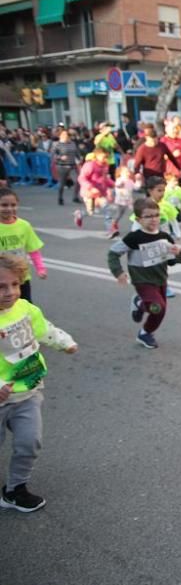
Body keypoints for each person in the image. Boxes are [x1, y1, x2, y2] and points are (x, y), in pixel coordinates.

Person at [0, 254, 77, 513]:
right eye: (1, 286)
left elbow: (44, 330)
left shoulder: (26, 308)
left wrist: (64, 342)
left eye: (14, 284)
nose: (9, 292)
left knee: (29, 443)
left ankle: (15, 490)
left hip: (28, 392)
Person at [108, 198, 181, 349]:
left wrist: (178, 253)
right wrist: (118, 272)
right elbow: (113, 253)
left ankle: (145, 332)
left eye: (156, 215)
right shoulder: (134, 237)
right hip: (142, 280)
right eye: (148, 216)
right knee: (158, 307)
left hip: (161, 279)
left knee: (160, 312)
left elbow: (173, 262)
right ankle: (140, 303)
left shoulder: (164, 237)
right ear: (138, 219)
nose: (153, 219)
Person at [0, 189, 46, 303]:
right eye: (4, 205)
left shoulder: (24, 226)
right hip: (2, 279)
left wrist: (40, 268)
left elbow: (33, 250)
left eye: (13, 205)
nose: (9, 209)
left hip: (21, 278)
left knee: (25, 305)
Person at [52, 129, 82, 206]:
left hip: (72, 165)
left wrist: (79, 158)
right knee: (62, 183)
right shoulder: (57, 145)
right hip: (62, 166)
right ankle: (60, 198)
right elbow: (53, 155)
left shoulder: (72, 144)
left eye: (67, 135)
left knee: (77, 181)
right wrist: (60, 157)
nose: (66, 136)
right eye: (64, 135)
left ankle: (75, 197)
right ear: (61, 136)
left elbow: (76, 152)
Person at [107, 165, 137, 239]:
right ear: (120, 173)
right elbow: (117, 185)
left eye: (128, 171)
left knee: (136, 213)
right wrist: (120, 184)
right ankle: (113, 226)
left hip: (129, 200)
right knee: (119, 214)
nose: (128, 173)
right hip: (120, 201)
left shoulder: (130, 181)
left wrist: (139, 181)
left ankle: (137, 228)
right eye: (125, 172)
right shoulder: (120, 180)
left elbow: (136, 187)